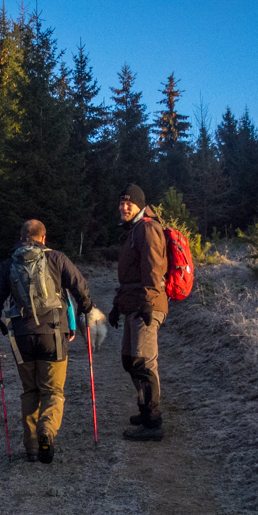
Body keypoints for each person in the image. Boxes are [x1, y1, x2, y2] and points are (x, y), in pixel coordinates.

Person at [0, 219, 92, 464]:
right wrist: (86, 308)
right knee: (53, 390)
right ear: (43, 238)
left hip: (21, 336)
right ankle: (47, 430)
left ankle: (32, 449)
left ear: (22, 237)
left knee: (30, 390)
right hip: (52, 334)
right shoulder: (56, 258)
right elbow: (79, 285)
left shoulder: (9, 263)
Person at [107, 183, 167, 441]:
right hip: (132, 304)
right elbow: (130, 276)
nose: (123, 207)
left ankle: (153, 423)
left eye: (129, 203)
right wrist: (117, 306)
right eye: (121, 203)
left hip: (146, 305)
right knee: (130, 360)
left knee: (144, 362)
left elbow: (154, 268)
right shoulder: (134, 231)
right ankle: (145, 411)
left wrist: (148, 302)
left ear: (140, 205)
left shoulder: (148, 229)